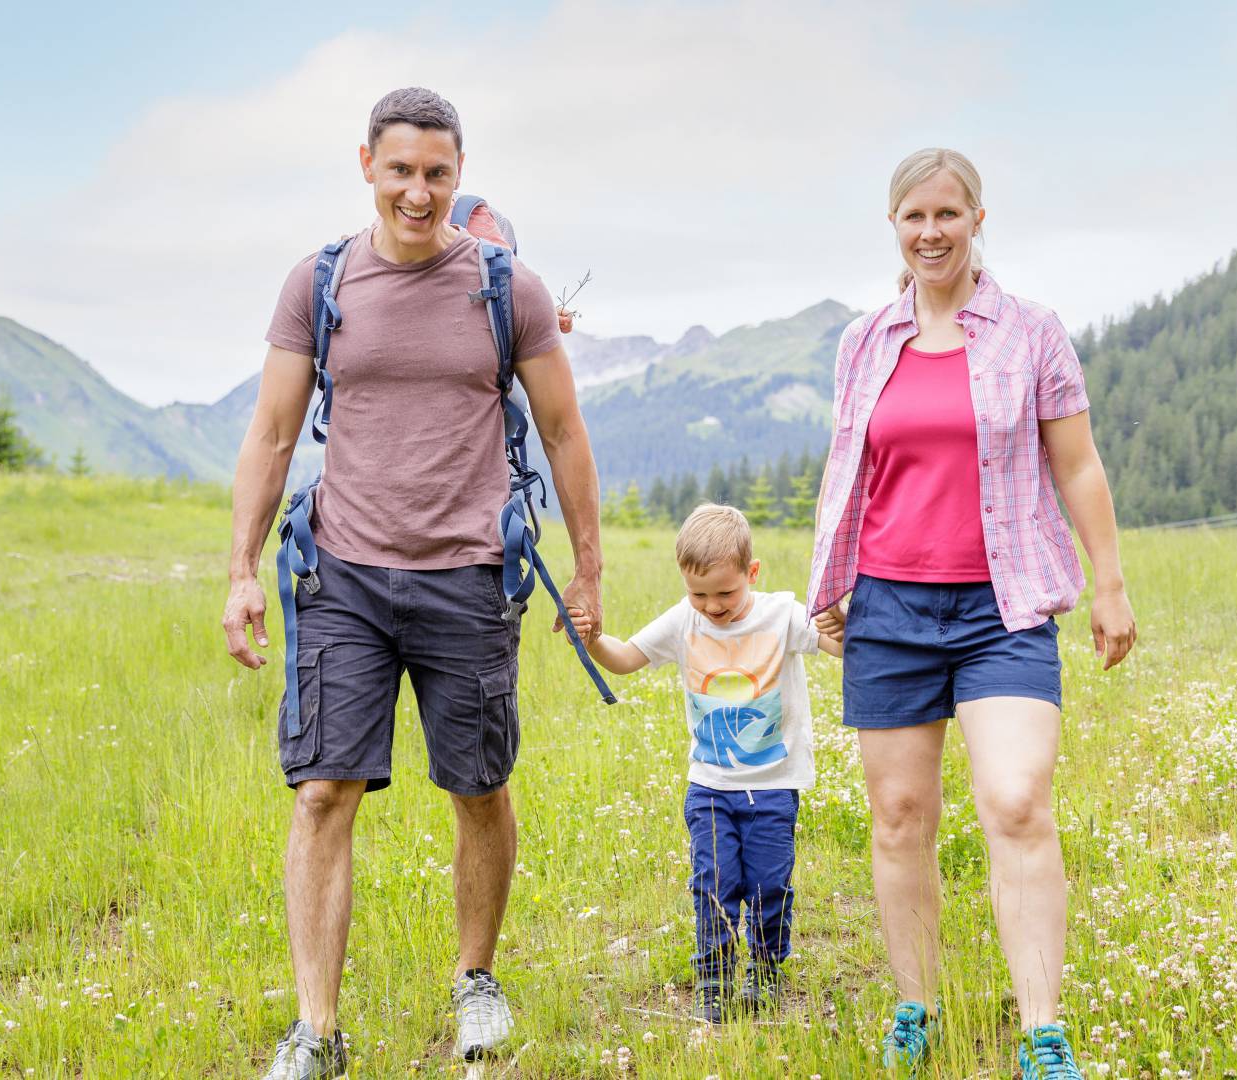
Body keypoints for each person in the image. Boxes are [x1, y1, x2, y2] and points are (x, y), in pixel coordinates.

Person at [219, 87, 604, 1080]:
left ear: (458, 173)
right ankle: (317, 1029)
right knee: (321, 795)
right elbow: (268, 434)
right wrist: (239, 572)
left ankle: (476, 980)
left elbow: (563, 432)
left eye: (438, 173)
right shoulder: (320, 281)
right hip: (342, 576)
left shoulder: (506, 290)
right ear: (366, 167)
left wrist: (592, 568)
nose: (420, 193)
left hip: (470, 579)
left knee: (478, 787)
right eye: (401, 171)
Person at [808, 148, 1137, 1079]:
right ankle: (916, 1006)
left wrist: (1107, 583)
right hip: (888, 606)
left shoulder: (1031, 332)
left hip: (1006, 607)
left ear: (977, 218)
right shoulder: (864, 341)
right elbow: (851, 473)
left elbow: (1077, 464)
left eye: (948, 214)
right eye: (914, 217)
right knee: (901, 814)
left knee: (1017, 800)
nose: (931, 232)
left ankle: (1042, 1030)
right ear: (893, 226)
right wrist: (830, 585)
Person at [577, 504, 842, 1023]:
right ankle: (715, 979)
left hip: (773, 785)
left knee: (769, 885)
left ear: (753, 572)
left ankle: (765, 974)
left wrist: (844, 624)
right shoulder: (684, 619)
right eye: (699, 594)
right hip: (711, 786)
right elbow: (626, 657)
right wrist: (591, 640)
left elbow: (835, 645)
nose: (712, 606)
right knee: (714, 882)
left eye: (725, 592)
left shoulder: (782, 616)